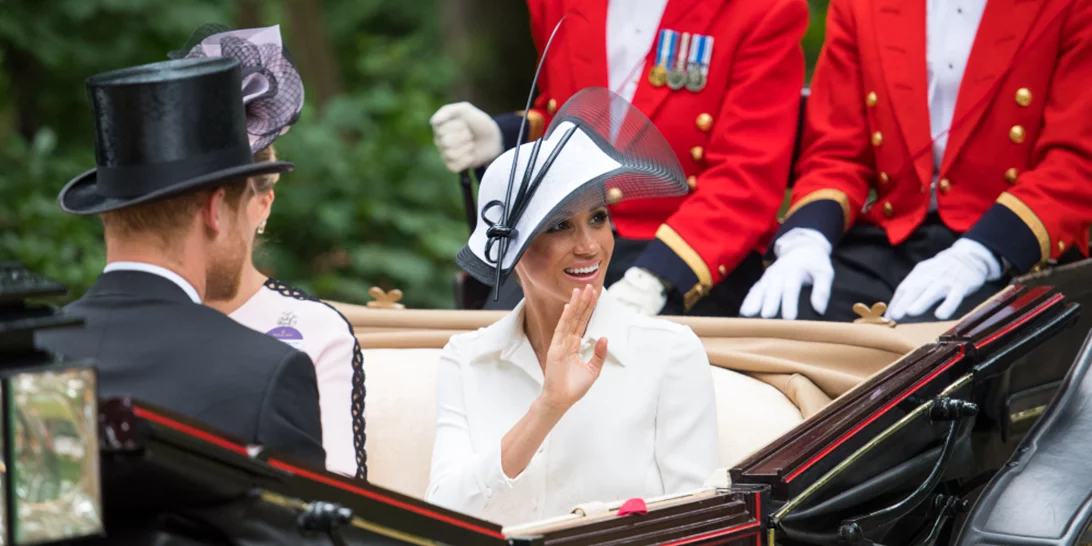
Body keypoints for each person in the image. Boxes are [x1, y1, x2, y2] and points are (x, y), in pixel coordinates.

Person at [425, 88, 719, 525]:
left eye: (598, 218)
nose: (589, 246)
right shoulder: (466, 359)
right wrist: (546, 410)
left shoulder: (669, 352)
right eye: (560, 225)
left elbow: (699, 526)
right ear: (514, 250)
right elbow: (443, 517)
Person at [431, 0, 808, 317]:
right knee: (490, 356)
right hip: (567, 240)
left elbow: (747, 176)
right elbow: (569, 114)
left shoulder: (763, 8)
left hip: (688, 254)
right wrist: (506, 135)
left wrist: (659, 275)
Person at [35, 56, 325, 467]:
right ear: (215, 209)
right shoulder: (269, 374)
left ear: (108, 212)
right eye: (245, 204)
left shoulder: (28, 361)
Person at [741, 0, 1092, 323]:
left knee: (927, 366)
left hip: (1012, 252)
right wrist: (806, 240)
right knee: (770, 327)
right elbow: (837, 150)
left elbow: (1074, 162)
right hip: (894, 233)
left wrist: (980, 255)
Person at [174, 24, 367, 480]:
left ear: (264, 203)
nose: (209, 216)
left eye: (227, 196)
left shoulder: (318, 331)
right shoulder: (144, 318)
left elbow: (340, 495)